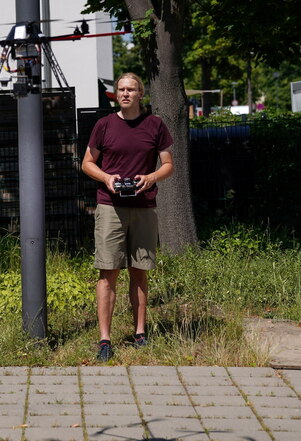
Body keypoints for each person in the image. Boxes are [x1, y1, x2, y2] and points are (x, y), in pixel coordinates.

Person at [81, 72, 174, 362]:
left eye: (131, 89)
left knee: (140, 270)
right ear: (116, 94)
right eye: (121, 89)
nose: (125, 93)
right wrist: (107, 178)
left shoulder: (155, 125)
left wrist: (152, 177)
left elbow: (168, 164)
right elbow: (86, 163)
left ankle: (140, 333)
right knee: (108, 271)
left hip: (144, 206)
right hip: (110, 206)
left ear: (140, 94)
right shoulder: (104, 125)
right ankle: (105, 339)